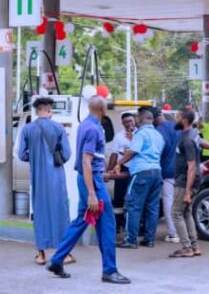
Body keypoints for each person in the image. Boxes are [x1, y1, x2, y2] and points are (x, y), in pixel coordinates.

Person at [46, 96, 130, 284]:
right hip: (92, 182)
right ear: (103, 109)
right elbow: (86, 161)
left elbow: (91, 160)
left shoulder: (85, 125)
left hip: (89, 179)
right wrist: (92, 193)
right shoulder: (93, 129)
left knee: (82, 220)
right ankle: (110, 270)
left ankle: (57, 260)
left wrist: (100, 174)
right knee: (107, 224)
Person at [18, 97, 73, 266]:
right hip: (56, 176)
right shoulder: (58, 128)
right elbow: (67, 154)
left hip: (37, 177)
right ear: (49, 110)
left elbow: (21, 154)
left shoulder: (27, 129)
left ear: (37, 111)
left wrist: (35, 157)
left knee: (40, 212)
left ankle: (41, 254)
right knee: (60, 211)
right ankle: (64, 254)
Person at [119, 108, 164, 249]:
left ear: (141, 118)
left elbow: (132, 152)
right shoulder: (159, 135)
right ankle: (149, 240)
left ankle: (130, 240)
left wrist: (119, 163)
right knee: (152, 208)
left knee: (133, 206)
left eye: (136, 117)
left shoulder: (140, 134)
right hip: (157, 172)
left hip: (141, 173)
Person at [169, 110, 203, 258]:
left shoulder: (187, 140)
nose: (175, 119)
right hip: (192, 180)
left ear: (184, 120)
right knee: (186, 212)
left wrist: (187, 192)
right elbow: (202, 143)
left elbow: (191, 167)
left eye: (177, 117)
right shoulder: (193, 134)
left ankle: (186, 248)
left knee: (176, 213)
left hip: (185, 182)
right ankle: (194, 247)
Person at [106, 113, 136, 231]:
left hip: (137, 169)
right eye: (126, 122)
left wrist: (133, 138)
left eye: (130, 121)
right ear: (122, 123)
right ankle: (118, 224)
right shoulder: (119, 136)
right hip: (123, 168)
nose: (129, 124)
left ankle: (132, 225)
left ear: (135, 121)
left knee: (133, 198)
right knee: (118, 197)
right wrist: (109, 170)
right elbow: (114, 154)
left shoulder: (140, 134)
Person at [155, 108, 181, 245]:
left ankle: (173, 234)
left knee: (168, 202)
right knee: (181, 203)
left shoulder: (159, 131)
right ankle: (184, 232)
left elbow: (158, 151)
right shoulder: (178, 128)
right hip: (181, 170)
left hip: (166, 171)